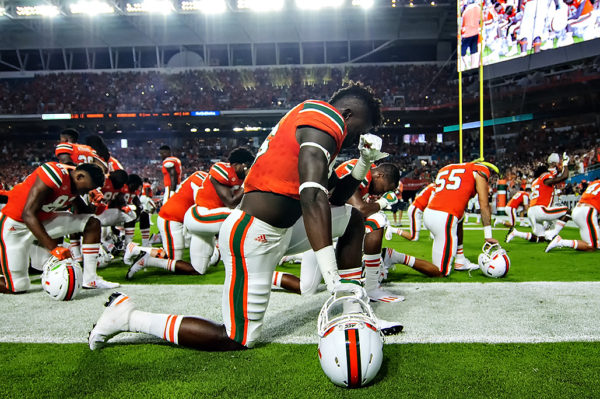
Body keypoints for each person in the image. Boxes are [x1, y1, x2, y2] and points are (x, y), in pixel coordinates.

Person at [89, 82, 402, 352]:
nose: (353, 140)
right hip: (253, 235)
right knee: (237, 339)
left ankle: (353, 308)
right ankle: (128, 317)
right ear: (345, 115)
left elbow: (333, 197)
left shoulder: (315, 133)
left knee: (352, 218)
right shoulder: (325, 116)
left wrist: (362, 163)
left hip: (283, 231)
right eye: (358, 132)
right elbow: (312, 196)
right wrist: (332, 277)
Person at [272, 160, 403, 302]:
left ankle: (371, 287)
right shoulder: (362, 172)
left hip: (328, 226)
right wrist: (383, 203)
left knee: (307, 288)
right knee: (377, 219)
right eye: (384, 188)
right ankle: (371, 288)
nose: (382, 192)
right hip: (313, 227)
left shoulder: (369, 180)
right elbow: (360, 209)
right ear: (380, 175)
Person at [125, 147, 255, 277]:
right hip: (177, 216)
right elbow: (228, 203)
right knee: (173, 257)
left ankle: (147, 259)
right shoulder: (215, 173)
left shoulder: (231, 178)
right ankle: (137, 249)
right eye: (246, 166)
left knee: (197, 269)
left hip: (198, 219)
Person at [0, 162, 118, 293]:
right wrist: (54, 249)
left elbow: (83, 213)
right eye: (85, 189)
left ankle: (90, 279)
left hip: (43, 222)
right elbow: (28, 214)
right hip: (17, 226)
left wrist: (95, 204)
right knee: (18, 286)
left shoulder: (77, 181)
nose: (84, 192)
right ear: (79, 177)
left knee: (92, 222)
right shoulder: (55, 174)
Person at [423, 161, 499, 276]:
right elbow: (484, 204)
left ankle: (460, 259)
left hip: (430, 212)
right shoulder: (481, 169)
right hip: (444, 218)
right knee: (441, 272)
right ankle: (396, 257)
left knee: (461, 215)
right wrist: (488, 236)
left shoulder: (447, 167)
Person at [506, 153, 570, 243]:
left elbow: (556, 175)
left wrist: (556, 167)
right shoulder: (546, 176)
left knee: (540, 238)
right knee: (567, 211)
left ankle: (516, 233)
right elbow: (564, 176)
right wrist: (566, 164)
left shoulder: (536, 180)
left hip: (532, 211)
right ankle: (552, 235)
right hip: (540, 210)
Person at [545, 179, 600, 252]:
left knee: (593, 243)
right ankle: (560, 242)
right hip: (587, 211)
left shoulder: (596, 182)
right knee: (592, 246)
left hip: (578, 209)